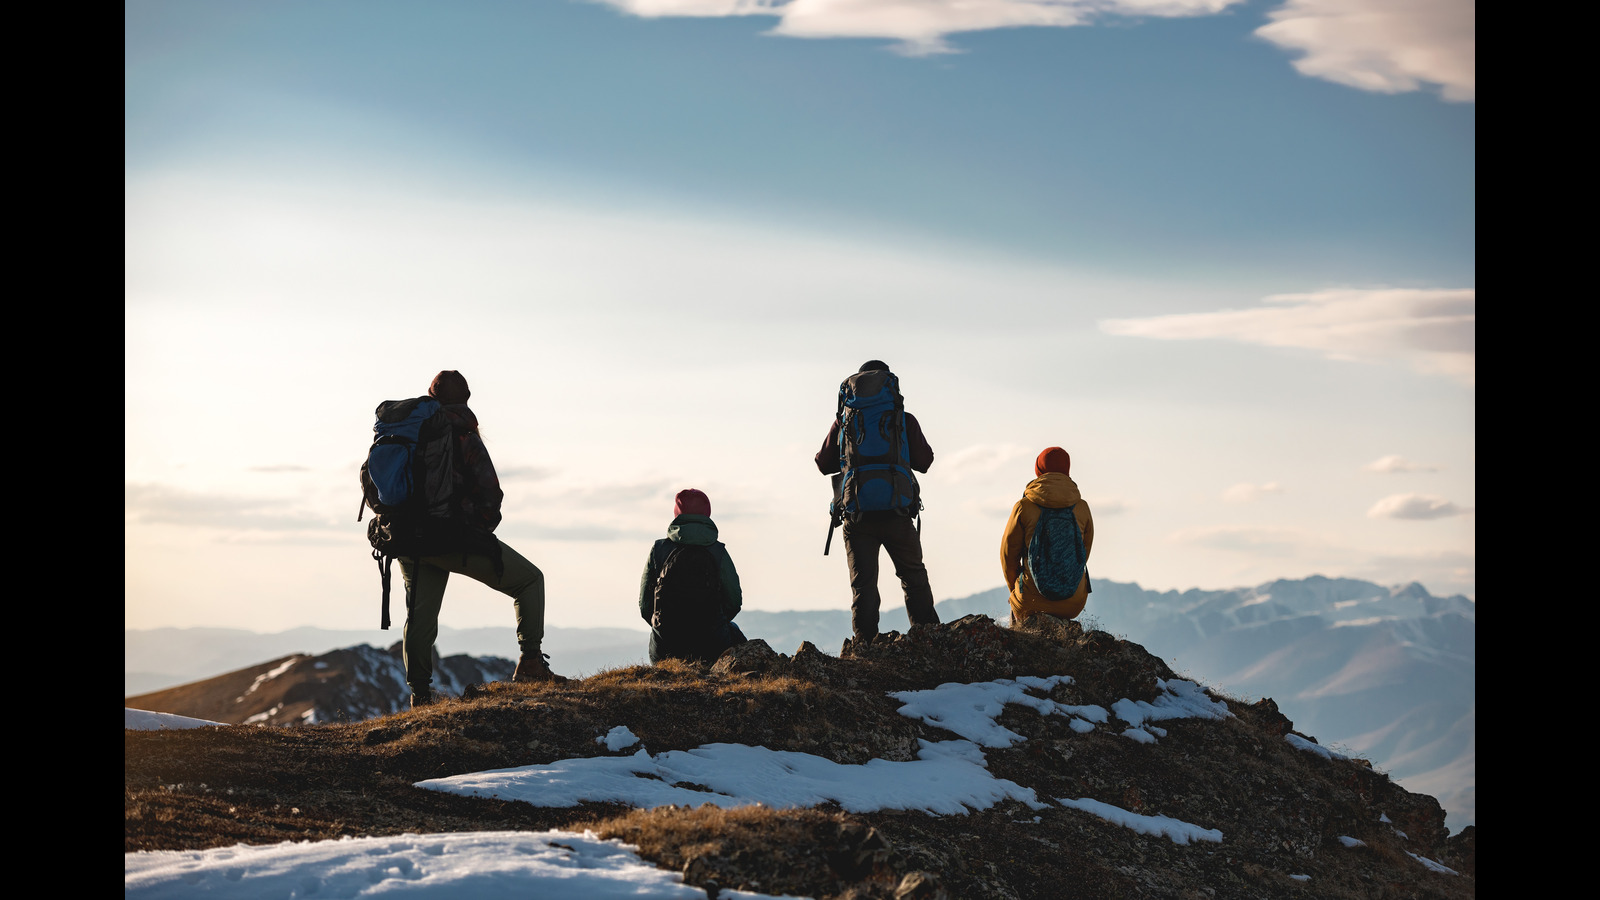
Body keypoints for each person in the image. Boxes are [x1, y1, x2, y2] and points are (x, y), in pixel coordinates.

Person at [370, 371, 564, 707]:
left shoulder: (406, 432)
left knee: (419, 616)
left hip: (405, 539)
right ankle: (531, 662)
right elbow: (490, 491)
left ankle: (420, 695)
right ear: (467, 398)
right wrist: (478, 533)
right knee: (529, 581)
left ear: (430, 396)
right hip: (452, 538)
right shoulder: (462, 433)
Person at [815, 360, 940, 644]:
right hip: (897, 511)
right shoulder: (902, 418)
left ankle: (866, 643)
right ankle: (930, 639)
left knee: (864, 585)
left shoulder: (845, 420)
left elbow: (823, 464)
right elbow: (925, 462)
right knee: (913, 577)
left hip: (857, 514)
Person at [638, 489, 747, 664]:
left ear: (677, 514)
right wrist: (715, 624)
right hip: (712, 645)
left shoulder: (659, 550)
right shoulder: (718, 552)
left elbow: (645, 605)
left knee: (656, 636)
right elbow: (734, 601)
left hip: (667, 648)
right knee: (734, 631)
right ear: (707, 514)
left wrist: (664, 627)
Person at [1001, 446, 1094, 628]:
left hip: (1030, 601)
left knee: (1016, 615)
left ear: (1039, 470)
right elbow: (1082, 555)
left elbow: (1008, 557)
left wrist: (1015, 589)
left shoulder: (1023, 506)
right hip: (1073, 601)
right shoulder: (1082, 508)